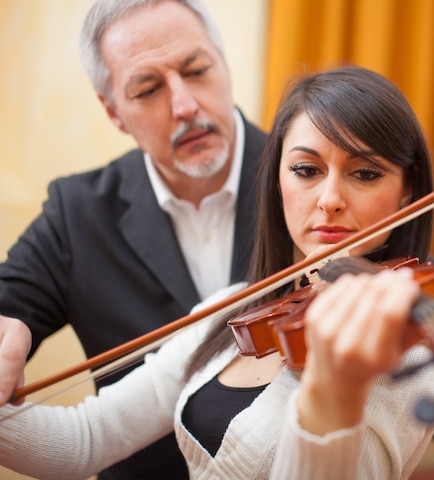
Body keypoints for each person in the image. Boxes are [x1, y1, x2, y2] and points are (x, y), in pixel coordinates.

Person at [0, 66, 434, 479]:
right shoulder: (236, 307)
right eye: (307, 169)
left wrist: (337, 387)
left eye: (364, 174)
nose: (329, 198)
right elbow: (84, 442)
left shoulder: (405, 352)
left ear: (409, 191)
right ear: (277, 178)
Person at [0, 1, 266, 478]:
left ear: (223, 65)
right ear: (114, 111)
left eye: (197, 70)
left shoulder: (310, 180)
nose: (184, 106)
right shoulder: (76, 212)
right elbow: (10, 297)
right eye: (147, 89)